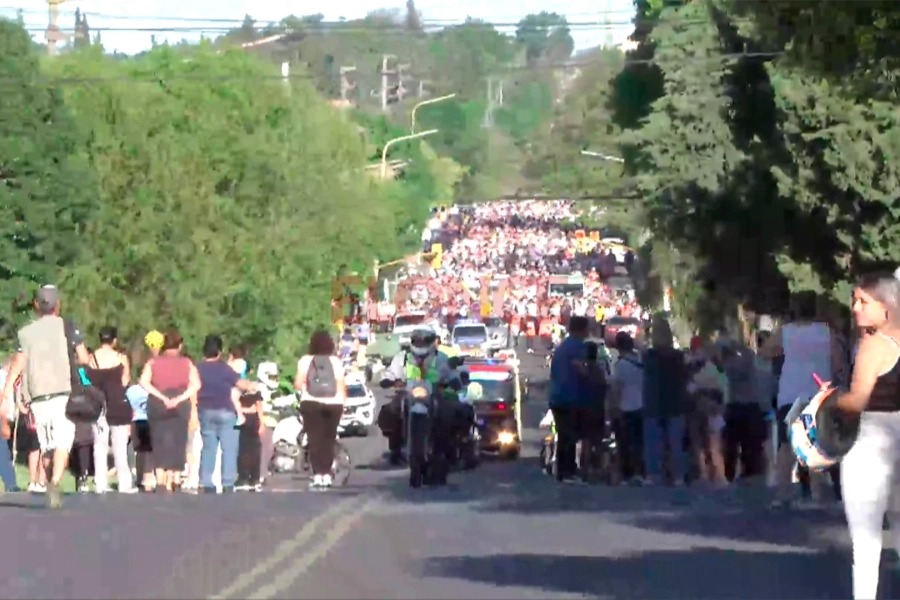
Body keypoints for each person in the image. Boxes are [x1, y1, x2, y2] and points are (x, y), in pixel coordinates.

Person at [823, 271, 900, 599]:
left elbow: (857, 401)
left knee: (866, 544)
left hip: (870, 441)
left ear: (886, 306)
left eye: (863, 301)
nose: (855, 307)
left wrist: (828, 400)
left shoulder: (873, 345)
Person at [0, 285, 90, 508]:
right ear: (58, 304)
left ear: (36, 305)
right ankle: (55, 482)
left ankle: (48, 479)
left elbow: (19, 362)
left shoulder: (26, 332)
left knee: (47, 445)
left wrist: (7, 392)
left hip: (38, 396)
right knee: (63, 442)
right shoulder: (67, 326)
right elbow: (84, 358)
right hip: (64, 392)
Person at [761, 291, 845, 507]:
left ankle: (783, 494)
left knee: (785, 445)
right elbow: (838, 364)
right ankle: (818, 494)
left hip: (790, 394)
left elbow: (765, 352)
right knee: (817, 443)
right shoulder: (827, 332)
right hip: (819, 394)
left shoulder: (786, 332)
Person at [139, 329, 200, 492]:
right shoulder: (187, 363)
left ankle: (160, 478)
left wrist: (162, 397)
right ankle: (175, 478)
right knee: (179, 439)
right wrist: (179, 398)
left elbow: (143, 382)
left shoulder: (153, 362)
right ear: (180, 346)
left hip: (158, 402)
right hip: (180, 403)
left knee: (158, 439)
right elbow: (196, 384)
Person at [196, 335, 258, 494]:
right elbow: (241, 384)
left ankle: (206, 481)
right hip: (226, 410)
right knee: (229, 448)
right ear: (220, 351)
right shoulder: (225, 369)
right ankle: (228, 482)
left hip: (205, 410)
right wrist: (252, 385)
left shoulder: (198, 368)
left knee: (208, 447)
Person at [293, 330, 348, 489]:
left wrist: (305, 386)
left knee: (315, 440)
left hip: (311, 403)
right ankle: (327, 475)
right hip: (334, 404)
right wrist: (343, 406)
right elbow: (341, 386)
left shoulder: (305, 361)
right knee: (328, 440)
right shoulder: (335, 361)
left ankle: (318, 475)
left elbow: (298, 384)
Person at [642, 317, 689, 486]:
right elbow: (684, 377)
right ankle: (678, 475)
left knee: (653, 441)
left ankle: (654, 474)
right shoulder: (678, 356)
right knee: (676, 441)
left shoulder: (648, 356)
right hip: (675, 400)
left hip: (654, 401)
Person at [88, 326, 135, 494]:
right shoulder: (121, 358)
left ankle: (100, 483)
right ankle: (124, 483)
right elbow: (125, 381)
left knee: (99, 445)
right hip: (117, 404)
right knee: (120, 446)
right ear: (114, 340)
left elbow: (85, 379)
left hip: (98, 405)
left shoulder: (91, 358)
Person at [548, 315, 590, 483]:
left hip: (557, 396)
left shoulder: (563, 346)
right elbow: (582, 369)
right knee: (569, 436)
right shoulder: (576, 347)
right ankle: (568, 471)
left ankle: (563, 471)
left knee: (564, 435)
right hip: (568, 397)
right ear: (581, 330)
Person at [609, 332, 645, 484]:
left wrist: (613, 408)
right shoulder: (641, 362)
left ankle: (629, 473)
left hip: (625, 408)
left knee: (626, 443)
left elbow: (617, 389)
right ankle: (640, 472)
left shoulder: (620, 366)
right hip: (642, 407)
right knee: (639, 442)